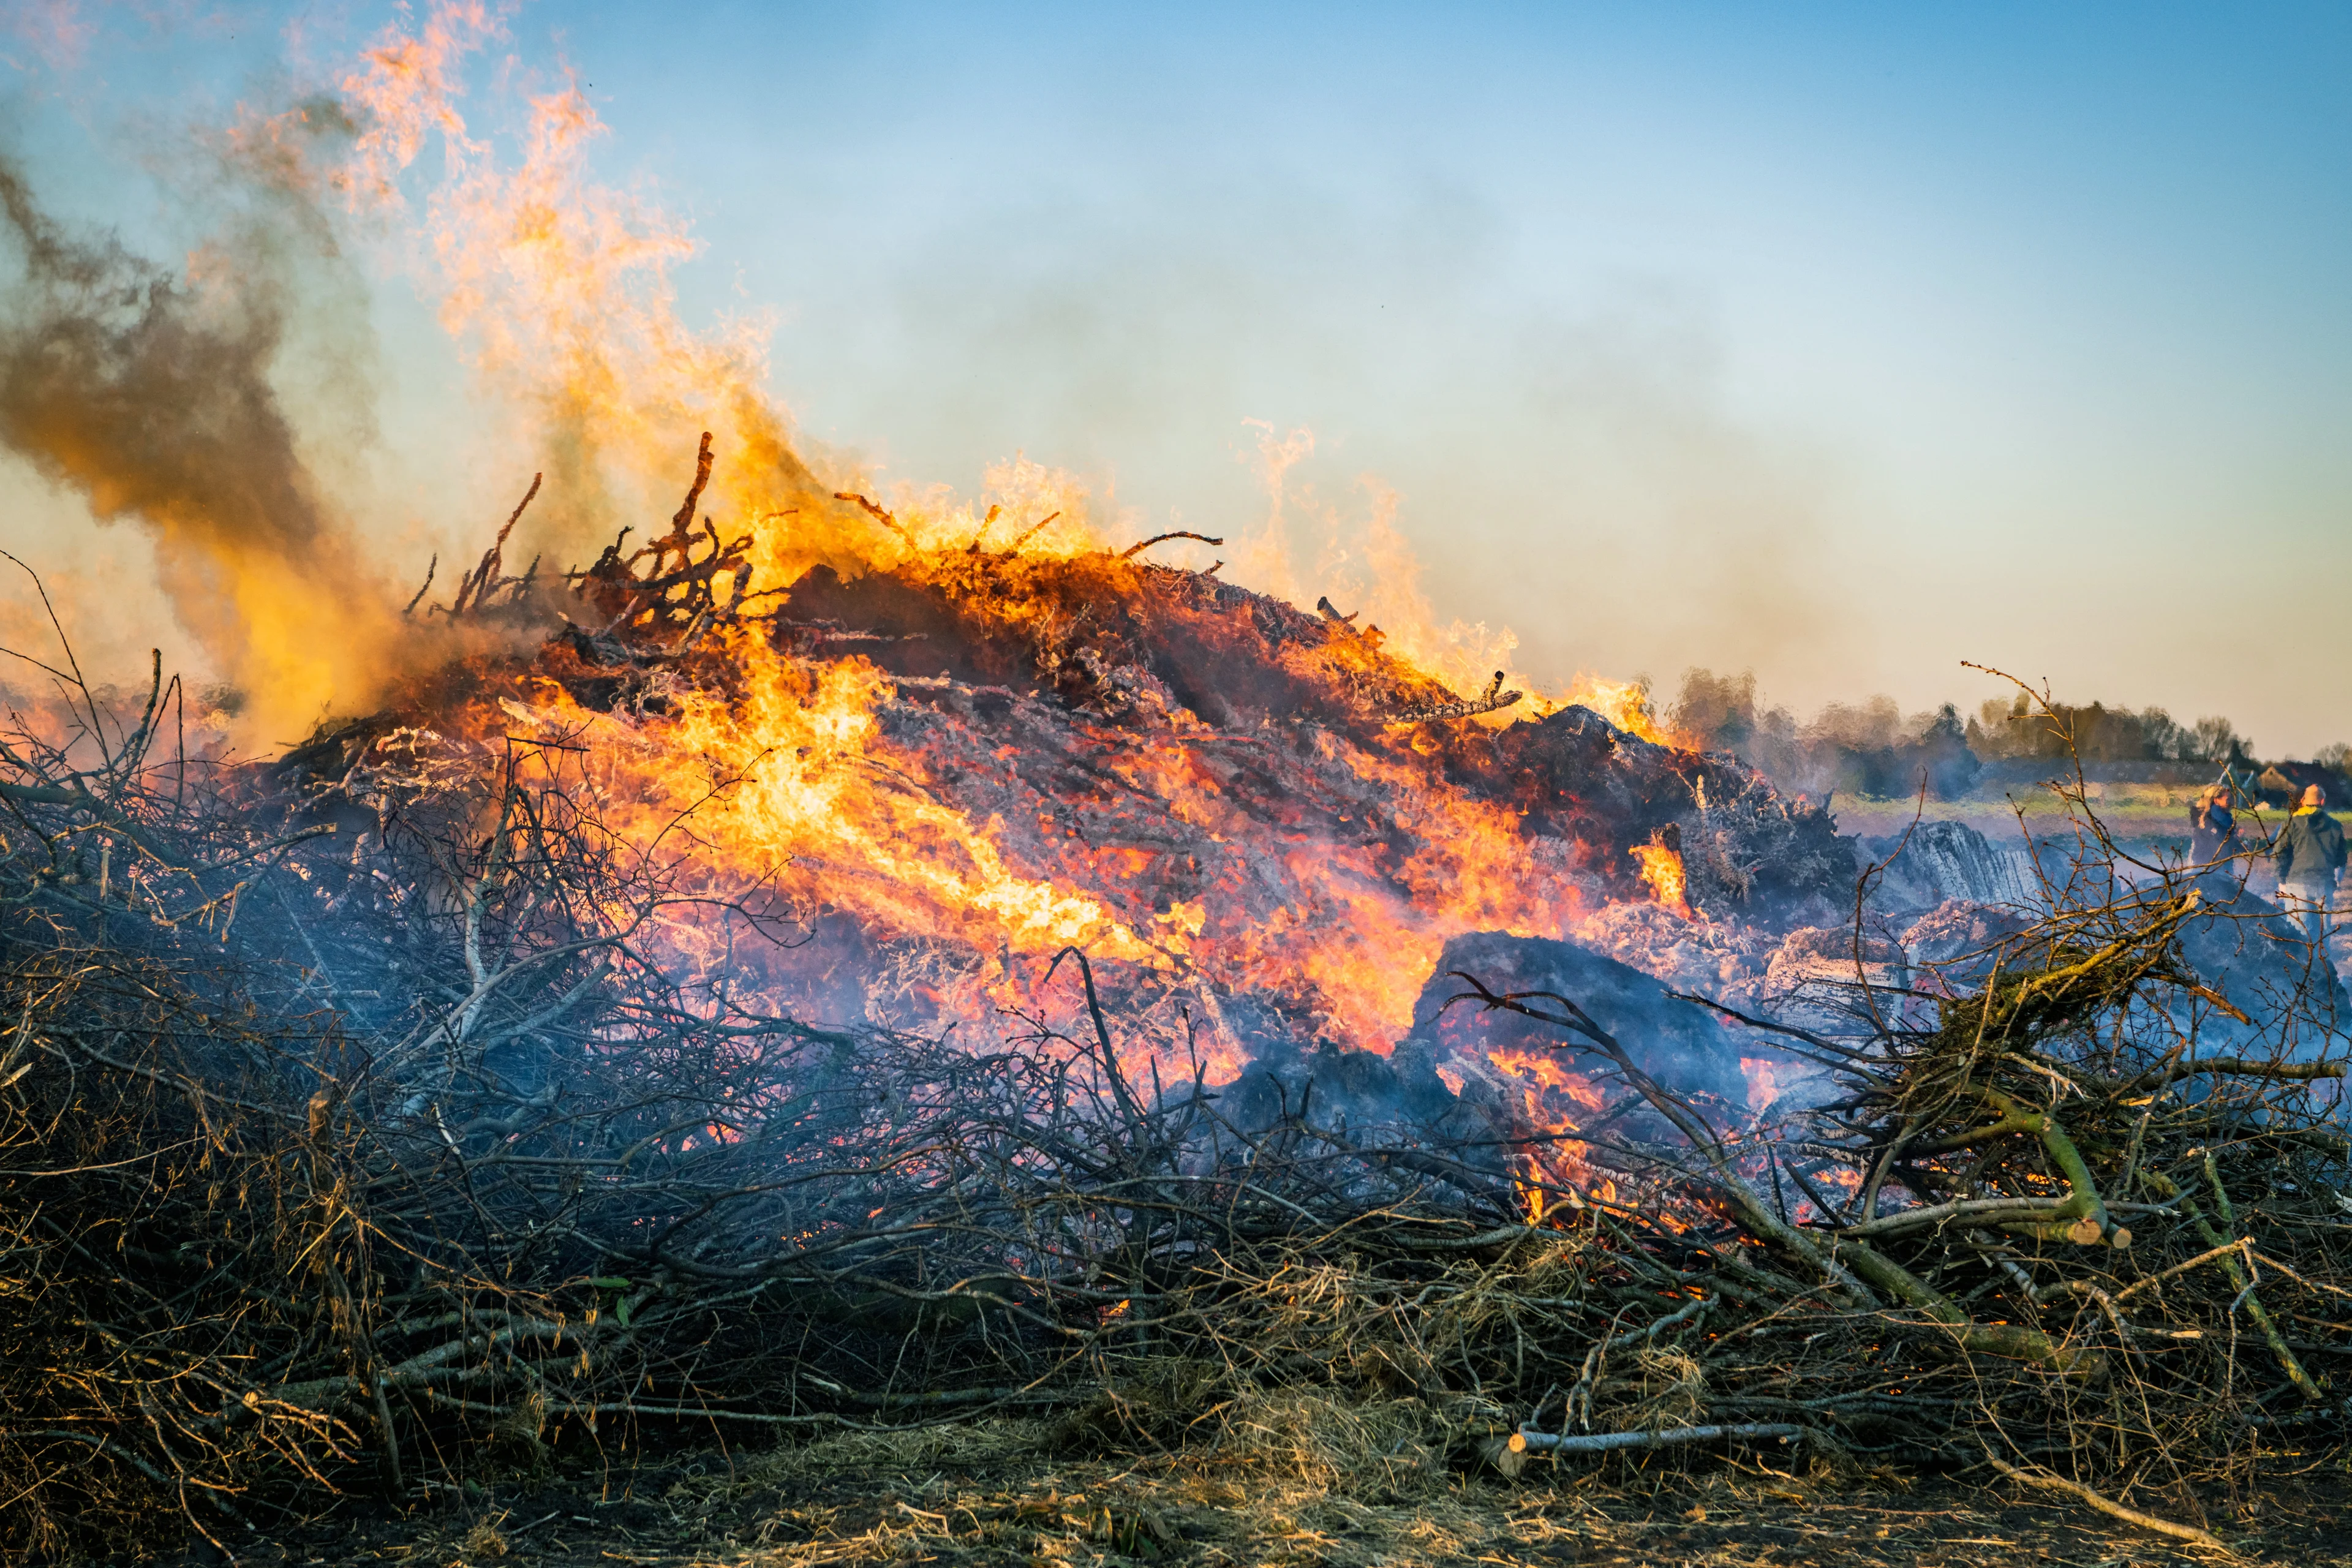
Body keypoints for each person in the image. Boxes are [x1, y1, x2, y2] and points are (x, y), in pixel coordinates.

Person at [2269, 784, 2345, 941]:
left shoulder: (2290, 824)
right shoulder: (2335, 826)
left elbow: (2279, 854)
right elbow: (2341, 859)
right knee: (2322, 938)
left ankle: (2301, 965)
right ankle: (2323, 965)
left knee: (2299, 936)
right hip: (2324, 885)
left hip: (2297, 884)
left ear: (2303, 800)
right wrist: (2337, 878)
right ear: (2323, 802)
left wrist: (2281, 881)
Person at [2188, 785, 2239, 867]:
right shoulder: (2210, 820)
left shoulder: (2220, 820)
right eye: (2228, 800)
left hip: (2214, 867)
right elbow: (2221, 841)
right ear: (2216, 801)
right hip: (2212, 868)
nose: (2231, 803)